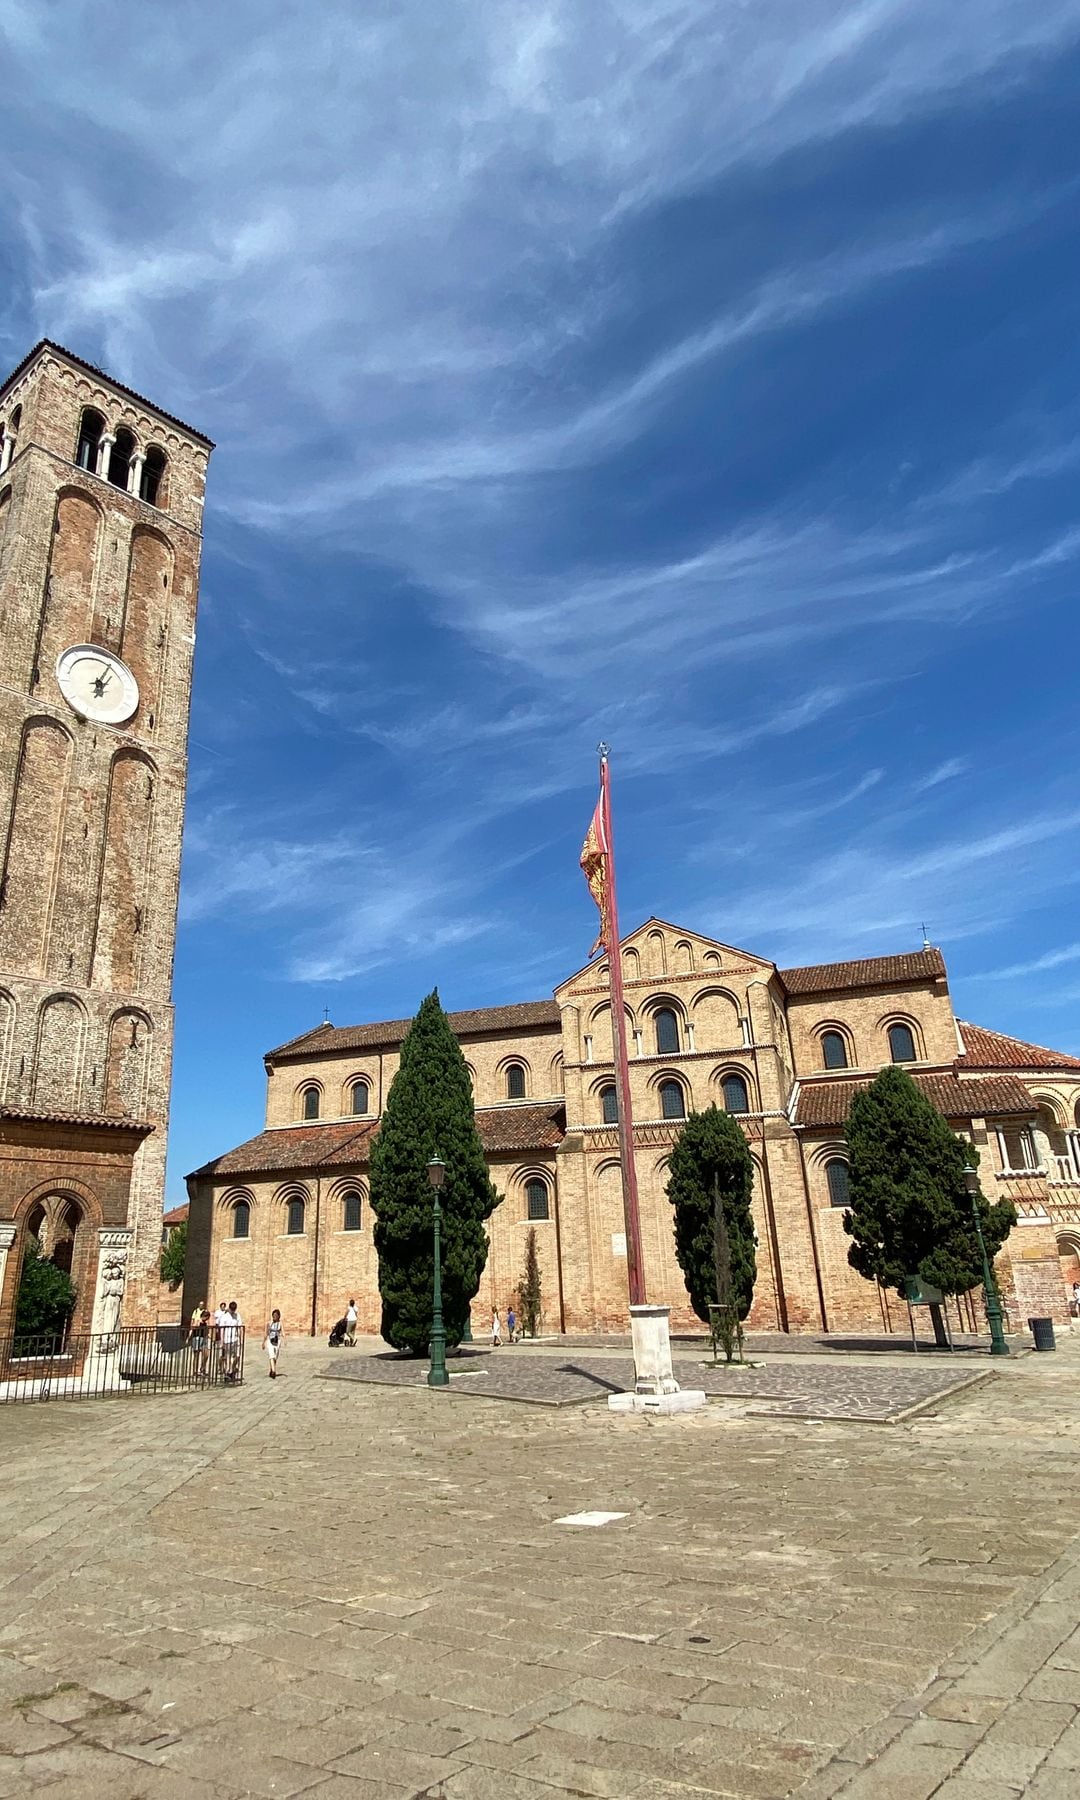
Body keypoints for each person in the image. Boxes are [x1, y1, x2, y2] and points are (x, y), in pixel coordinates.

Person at [221, 1300, 244, 1381]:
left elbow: (240, 1327)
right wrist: (222, 1341)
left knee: (237, 1356)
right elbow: (222, 1329)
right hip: (227, 1339)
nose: (233, 1311)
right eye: (232, 1309)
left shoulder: (237, 1316)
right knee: (228, 1356)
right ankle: (228, 1372)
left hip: (235, 1338)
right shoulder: (225, 1316)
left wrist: (241, 1339)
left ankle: (231, 1370)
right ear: (229, 1308)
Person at [264, 1309, 283, 1378]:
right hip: (270, 1341)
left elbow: (282, 1331)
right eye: (273, 1315)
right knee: (271, 1355)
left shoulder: (280, 1324)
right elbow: (266, 1333)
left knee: (275, 1357)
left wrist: (285, 1339)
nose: (274, 1317)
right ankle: (274, 1372)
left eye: (276, 1316)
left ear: (278, 1316)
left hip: (277, 1341)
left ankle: (272, 1369)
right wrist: (263, 1342)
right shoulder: (269, 1323)